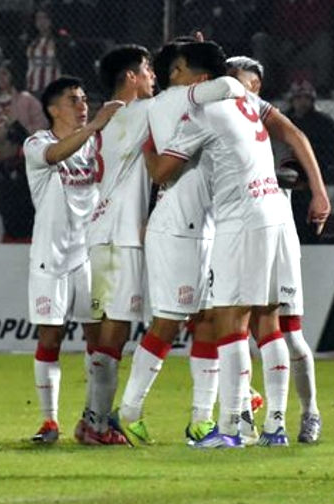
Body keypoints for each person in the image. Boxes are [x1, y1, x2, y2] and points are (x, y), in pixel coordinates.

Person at [148, 42, 323, 448]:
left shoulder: (198, 114)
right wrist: (319, 191)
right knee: (268, 323)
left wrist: (144, 143)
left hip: (240, 221)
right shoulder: (245, 98)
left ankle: (231, 428)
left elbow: (161, 173)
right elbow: (291, 132)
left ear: (195, 76)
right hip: (275, 214)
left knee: (228, 322)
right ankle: (275, 427)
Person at [111, 40, 246, 447]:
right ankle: (129, 412)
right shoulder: (177, 97)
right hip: (175, 228)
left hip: (199, 226)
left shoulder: (185, 103)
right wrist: (221, 79)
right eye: (198, 73)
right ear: (180, 72)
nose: (205, 81)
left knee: (204, 321)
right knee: (168, 323)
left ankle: (201, 421)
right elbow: (230, 87)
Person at [226, 56, 331, 444]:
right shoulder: (216, 116)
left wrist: (318, 191)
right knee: (231, 324)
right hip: (231, 229)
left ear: (255, 87)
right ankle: (243, 410)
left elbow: (298, 141)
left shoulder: (259, 114)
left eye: (243, 81)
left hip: (276, 229)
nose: (236, 88)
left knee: (287, 331)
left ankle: (309, 411)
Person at [24, 77, 123, 445]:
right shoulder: (37, 143)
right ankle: (49, 421)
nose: (82, 105)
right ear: (52, 109)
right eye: (73, 100)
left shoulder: (95, 144)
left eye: (85, 99)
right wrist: (97, 124)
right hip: (50, 258)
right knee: (50, 337)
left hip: (89, 258)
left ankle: (93, 419)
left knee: (96, 338)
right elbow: (55, 156)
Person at [77, 46, 156, 446]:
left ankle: (94, 417)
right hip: (120, 236)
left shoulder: (100, 120)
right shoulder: (138, 113)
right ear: (130, 76)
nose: (153, 76)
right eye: (147, 70)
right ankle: (97, 424)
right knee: (114, 333)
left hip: (95, 235)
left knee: (101, 338)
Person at [0, 62, 48, 137]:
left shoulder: (26, 99)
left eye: (4, 73)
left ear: (13, 75)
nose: (0, 77)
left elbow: (42, 124)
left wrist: (23, 133)